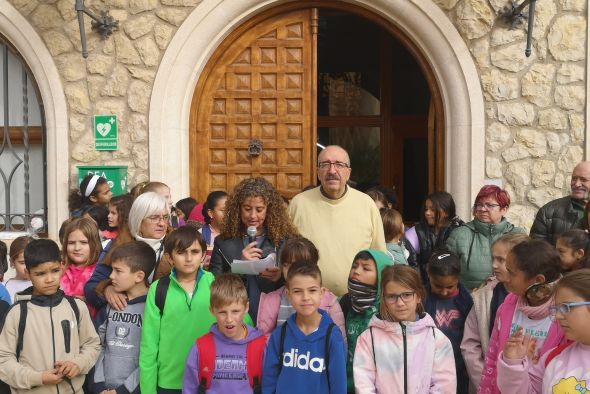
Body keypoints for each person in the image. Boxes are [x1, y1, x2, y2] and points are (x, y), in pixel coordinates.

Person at [0, 239, 101, 393]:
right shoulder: (17, 313)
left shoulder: (77, 307)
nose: (49, 279)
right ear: (28, 273)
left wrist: (78, 364)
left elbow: (92, 345)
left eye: (54, 270)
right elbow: (4, 360)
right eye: (40, 273)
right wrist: (38, 378)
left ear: (62, 266)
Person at [288, 145, 386, 295]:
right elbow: (286, 252)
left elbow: (380, 258)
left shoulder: (367, 204)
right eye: (325, 165)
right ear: (318, 172)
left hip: (357, 302)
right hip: (309, 303)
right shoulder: (299, 204)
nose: (332, 171)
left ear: (349, 173)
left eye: (339, 165)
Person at [479, 239, 566, 393]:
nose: (507, 278)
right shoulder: (507, 307)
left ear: (538, 280)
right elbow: (492, 359)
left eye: (512, 273)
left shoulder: (565, 316)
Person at [140, 226, 219, 393]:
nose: (189, 258)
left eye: (195, 252)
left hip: (211, 380)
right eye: (182, 252)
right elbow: (149, 344)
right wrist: (148, 390)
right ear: (170, 258)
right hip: (169, 382)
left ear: (204, 255)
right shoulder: (158, 289)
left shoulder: (216, 286)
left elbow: (240, 324)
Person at [353, 265, 456, 392]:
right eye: (392, 296)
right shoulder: (368, 339)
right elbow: (364, 386)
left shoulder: (437, 339)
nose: (400, 303)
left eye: (407, 295)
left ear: (418, 296)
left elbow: (444, 386)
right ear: (384, 299)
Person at [210, 177, 296, 323]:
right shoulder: (223, 242)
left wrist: (281, 276)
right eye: (247, 209)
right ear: (238, 208)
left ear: (269, 210)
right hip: (237, 319)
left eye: (259, 210)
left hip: (275, 317)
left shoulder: (286, 240)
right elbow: (214, 285)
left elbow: (301, 278)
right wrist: (241, 267)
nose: (253, 216)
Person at [497, 269, 590, 393]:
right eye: (556, 308)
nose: (558, 316)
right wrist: (513, 364)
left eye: (566, 307)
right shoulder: (555, 356)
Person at [262, 262, 347, 394]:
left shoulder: (333, 336)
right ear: (288, 294)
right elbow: (269, 382)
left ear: (322, 293)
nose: (305, 297)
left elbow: (339, 385)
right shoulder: (280, 335)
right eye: (297, 291)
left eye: (312, 290)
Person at [460, 233, 529, 391]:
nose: (494, 265)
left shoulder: (536, 299)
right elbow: (470, 345)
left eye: (501, 260)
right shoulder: (483, 297)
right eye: (493, 258)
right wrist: (485, 382)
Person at [85, 192, 172, 314]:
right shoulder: (118, 244)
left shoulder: (176, 245)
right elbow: (91, 288)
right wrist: (107, 290)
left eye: (165, 217)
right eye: (154, 217)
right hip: (125, 323)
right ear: (138, 218)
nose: (162, 223)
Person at [90, 241, 156, 394]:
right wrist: (98, 385)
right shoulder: (109, 306)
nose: (111, 276)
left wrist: (124, 390)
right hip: (102, 388)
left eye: (118, 271)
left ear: (139, 276)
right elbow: (96, 346)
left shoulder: (154, 309)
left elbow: (153, 356)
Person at [183, 274, 266, 394]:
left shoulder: (260, 345)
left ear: (246, 307)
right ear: (212, 310)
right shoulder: (201, 346)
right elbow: (189, 388)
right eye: (222, 312)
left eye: (235, 311)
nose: (229, 319)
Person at [257, 237, 345, 341]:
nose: (295, 271)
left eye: (301, 266)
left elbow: (340, 340)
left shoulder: (329, 301)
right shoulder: (272, 300)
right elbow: (262, 338)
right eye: (288, 265)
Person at [446, 185, 526, 290]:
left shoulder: (517, 235)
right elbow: (447, 272)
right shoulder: (460, 235)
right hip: (469, 301)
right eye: (479, 205)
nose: (483, 209)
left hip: (509, 299)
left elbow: (527, 270)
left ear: (504, 209)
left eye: (489, 205)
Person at [339, 249, 393, 392]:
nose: (357, 271)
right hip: (344, 384)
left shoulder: (389, 311)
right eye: (354, 266)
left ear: (382, 276)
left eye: (366, 268)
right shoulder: (343, 304)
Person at [424, 251, 473, 394]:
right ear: (429, 276)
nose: (444, 292)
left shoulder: (467, 301)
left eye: (450, 287)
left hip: (460, 366)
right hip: (430, 365)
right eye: (438, 286)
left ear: (458, 278)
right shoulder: (422, 299)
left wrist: (466, 365)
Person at [405, 191, 464, 283]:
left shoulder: (460, 231)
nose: (427, 213)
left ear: (446, 212)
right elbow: (412, 265)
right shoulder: (416, 232)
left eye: (432, 209)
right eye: (426, 209)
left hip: (451, 287)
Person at [530, 161, 590, 245]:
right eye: (574, 178)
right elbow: (537, 252)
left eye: (583, 180)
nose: (577, 184)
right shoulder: (548, 212)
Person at [61, 217, 101, 318]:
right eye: (71, 243)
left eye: (83, 242)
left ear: (94, 244)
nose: (77, 248)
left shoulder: (100, 272)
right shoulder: (59, 270)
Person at [200, 191, 228, 269]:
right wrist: (201, 264)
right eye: (223, 210)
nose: (228, 214)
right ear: (210, 213)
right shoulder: (198, 235)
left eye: (230, 210)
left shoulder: (237, 234)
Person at [5, 236, 33, 303]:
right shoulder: (7, 287)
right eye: (22, 263)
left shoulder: (44, 284)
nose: (27, 267)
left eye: (32, 261)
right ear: (12, 262)